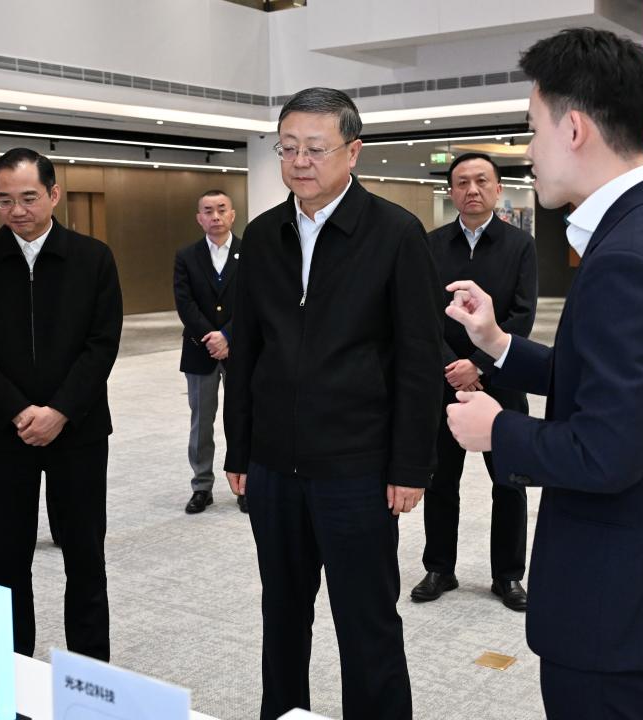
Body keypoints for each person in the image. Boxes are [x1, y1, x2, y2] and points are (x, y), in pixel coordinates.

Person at [444, 28, 643, 718]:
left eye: (531, 128)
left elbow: (607, 452)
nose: (527, 151)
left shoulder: (630, 256)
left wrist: (497, 429)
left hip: (620, 603)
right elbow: (616, 385)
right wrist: (499, 343)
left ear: (573, 128)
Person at [223, 87, 443, 720]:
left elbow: (419, 359)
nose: (299, 162)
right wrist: (240, 448)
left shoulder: (396, 234)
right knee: (281, 616)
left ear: (353, 151)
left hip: (358, 468)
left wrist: (410, 465)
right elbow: (247, 350)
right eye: (288, 148)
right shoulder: (262, 235)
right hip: (274, 466)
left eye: (315, 149)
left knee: (366, 623)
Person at [0, 147, 122, 661]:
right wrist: (19, 412)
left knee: (85, 556)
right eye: (4, 200)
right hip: (4, 433)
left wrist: (60, 411)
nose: (17, 210)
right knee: (7, 557)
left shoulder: (92, 258)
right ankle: (12, 665)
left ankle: (89, 668)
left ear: (53, 194)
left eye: (28, 197)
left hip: (79, 430)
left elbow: (102, 343)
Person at [411, 152, 536, 612]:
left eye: (482, 181)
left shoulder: (520, 245)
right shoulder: (431, 244)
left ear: (498, 189)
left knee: (509, 482)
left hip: (503, 381)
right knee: (441, 479)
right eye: (462, 182)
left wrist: (479, 365)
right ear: (452, 191)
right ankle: (439, 567)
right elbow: (423, 315)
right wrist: (455, 367)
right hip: (444, 383)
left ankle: (508, 575)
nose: (472, 189)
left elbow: (522, 316)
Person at [174, 189, 245, 515]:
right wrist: (212, 338)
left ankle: (244, 483)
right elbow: (184, 303)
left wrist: (228, 335)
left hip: (240, 349)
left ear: (232, 214)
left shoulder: (250, 253)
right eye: (208, 211)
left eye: (221, 209)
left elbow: (254, 300)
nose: (215, 216)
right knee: (201, 422)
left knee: (242, 417)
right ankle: (202, 486)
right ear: (199, 218)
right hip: (199, 351)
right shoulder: (186, 256)